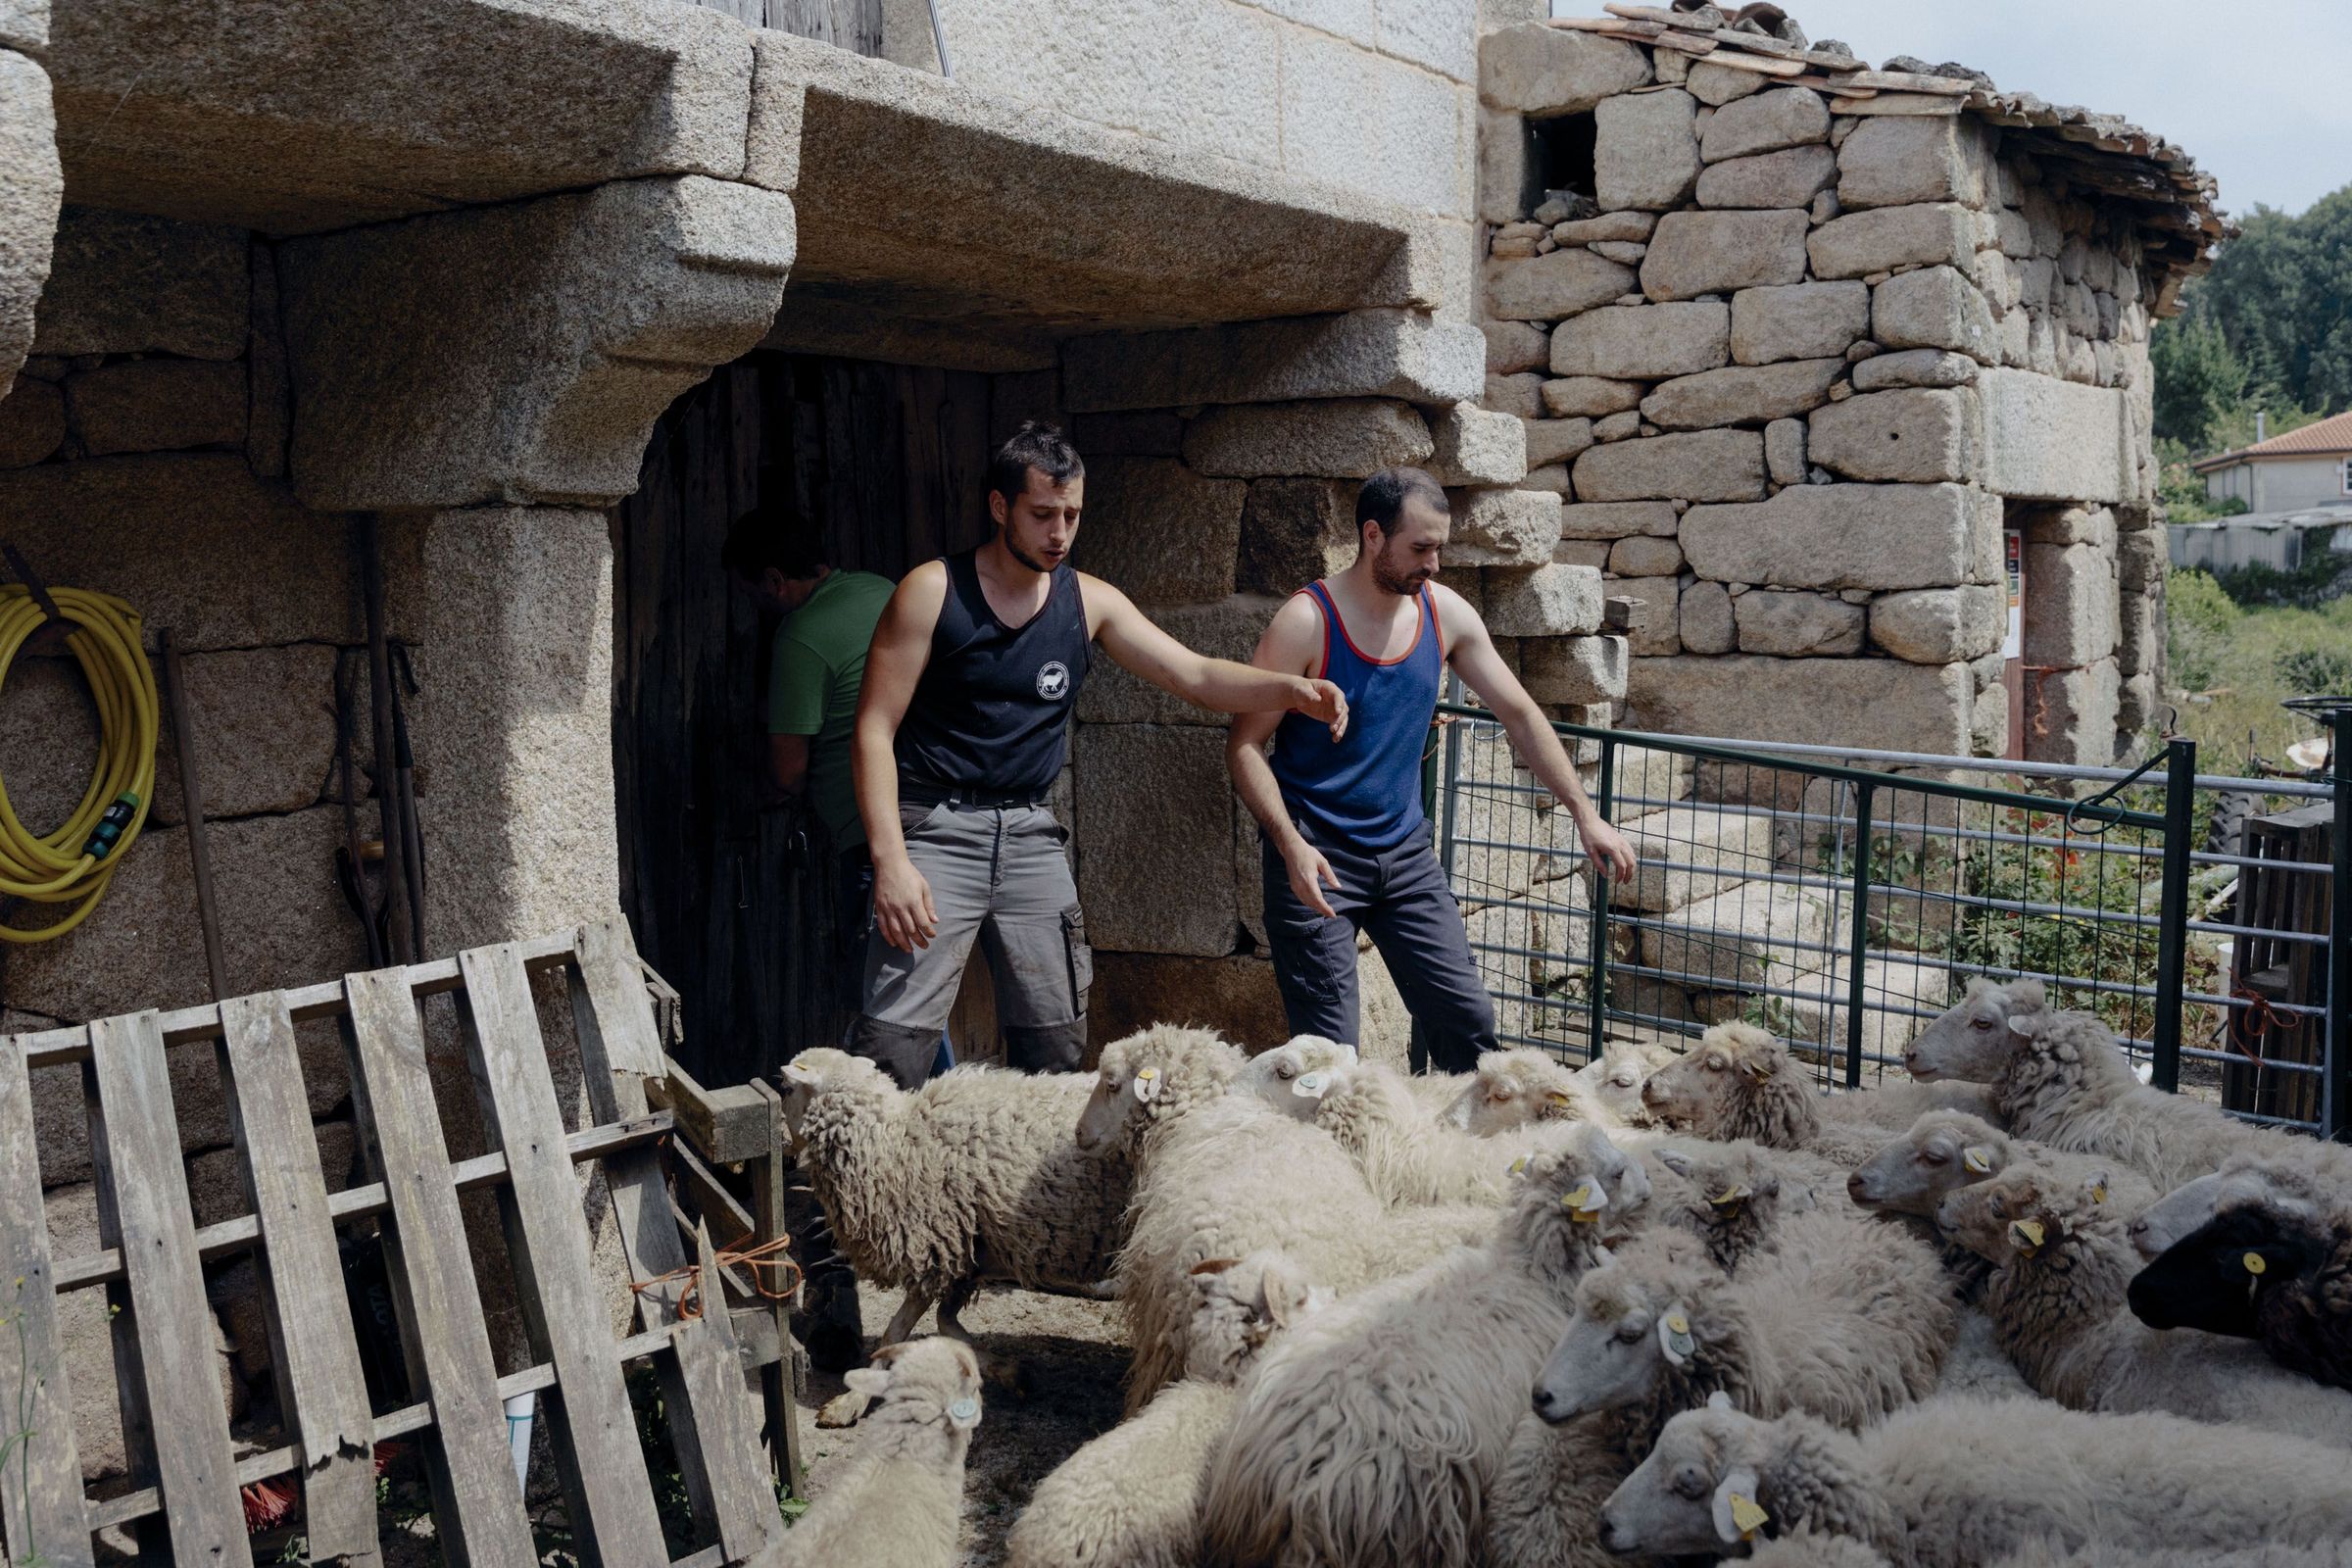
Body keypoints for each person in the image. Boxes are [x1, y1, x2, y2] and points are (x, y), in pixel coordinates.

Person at [849, 421, 1349, 1088]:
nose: (1059, 533)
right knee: (892, 1052)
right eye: (1042, 515)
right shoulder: (932, 591)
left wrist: (1290, 689)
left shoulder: (1090, 601)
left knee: (1057, 1043)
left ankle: (1033, 1160)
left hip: (1029, 831)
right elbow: (873, 729)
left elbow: (1195, 676)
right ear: (1000, 507)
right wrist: (891, 861)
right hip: (936, 827)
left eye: (1072, 515)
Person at [1226, 466, 1639, 1072]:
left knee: (1469, 1025)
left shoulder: (1445, 614)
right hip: (1316, 858)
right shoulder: (1306, 622)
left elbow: (1520, 713)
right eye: (1420, 548)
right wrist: (1290, 845)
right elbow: (1244, 746)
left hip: (1406, 858)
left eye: (1440, 548)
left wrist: (1585, 814)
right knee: (1329, 1060)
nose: (1435, 564)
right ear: (1372, 536)